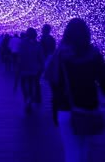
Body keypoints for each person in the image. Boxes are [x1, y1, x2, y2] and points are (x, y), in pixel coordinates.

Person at [44, 18, 105, 162]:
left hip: (65, 108)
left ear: (66, 34)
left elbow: (54, 85)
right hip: (89, 108)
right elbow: (103, 81)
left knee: (72, 151)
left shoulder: (59, 56)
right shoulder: (94, 54)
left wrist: (55, 111)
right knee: (84, 148)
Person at [15, 27, 44, 112]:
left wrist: (17, 67)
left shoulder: (22, 44)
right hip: (34, 69)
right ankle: (30, 99)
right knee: (32, 84)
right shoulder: (38, 45)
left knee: (24, 84)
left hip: (24, 68)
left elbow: (19, 57)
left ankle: (26, 99)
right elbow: (41, 57)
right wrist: (42, 67)